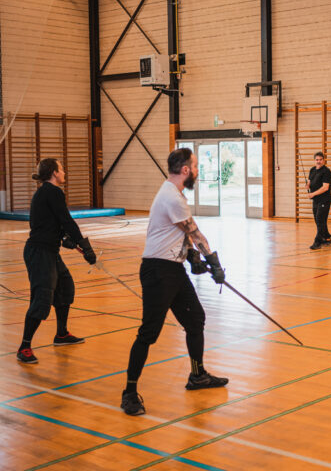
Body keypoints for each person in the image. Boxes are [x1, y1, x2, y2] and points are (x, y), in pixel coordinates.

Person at [121, 148, 228, 416]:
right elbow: (195, 233)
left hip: (172, 268)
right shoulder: (172, 197)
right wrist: (213, 262)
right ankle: (129, 392)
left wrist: (191, 257)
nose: (197, 171)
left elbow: (178, 235)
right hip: (158, 271)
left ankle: (197, 375)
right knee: (149, 332)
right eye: (195, 167)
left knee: (195, 320)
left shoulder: (173, 193)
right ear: (185, 171)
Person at [16, 158, 97, 364]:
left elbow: (48, 223)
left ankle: (61, 334)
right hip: (39, 253)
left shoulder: (45, 193)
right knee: (42, 298)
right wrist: (84, 245)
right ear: (53, 173)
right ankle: (24, 347)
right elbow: (66, 220)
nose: (64, 173)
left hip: (49, 251)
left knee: (65, 287)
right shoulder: (52, 192)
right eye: (61, 169)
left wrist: (63, 240)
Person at [306, 151, 331, 250]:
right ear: (314, 160)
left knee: (320, 220)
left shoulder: (326, 171)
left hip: (324, 200)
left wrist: (312, 194)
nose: (318, 161)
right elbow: (309, 182)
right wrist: (308, 185)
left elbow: (325, 187)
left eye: (320, 160)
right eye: (317, 160)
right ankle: (327, 238)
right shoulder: (312, 170)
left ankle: (318, 241)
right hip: (316, 200)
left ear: (323, 160)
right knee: (319, 221)